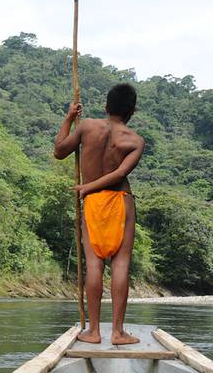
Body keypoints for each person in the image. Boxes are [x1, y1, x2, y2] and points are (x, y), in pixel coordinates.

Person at [53, 83, 145, 345]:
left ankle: (93, 331)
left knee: (94, 264)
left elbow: (59, 150)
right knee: (121, 264)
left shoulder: (87, 126)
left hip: (93, 201)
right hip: (121, 200)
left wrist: (69, 117)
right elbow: (119, 175)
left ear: (106, 106)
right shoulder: (135, 140)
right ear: (132, 111)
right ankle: (117, 332)